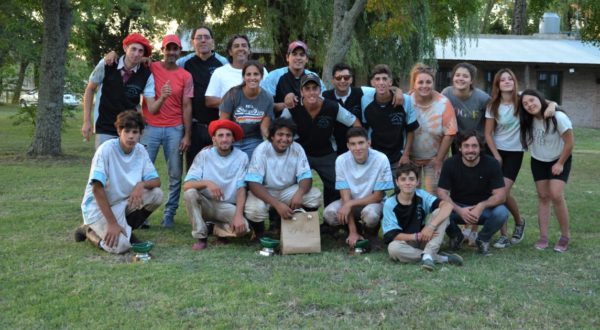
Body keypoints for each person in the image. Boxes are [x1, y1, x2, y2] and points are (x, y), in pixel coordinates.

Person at [75, 110, 163, 254]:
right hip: (98, 208)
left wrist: (141, 185)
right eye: (126, 131)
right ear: (118, 131)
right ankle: (88, 230)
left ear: (141, 133)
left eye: (135, 132)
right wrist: (112, 223)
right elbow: (97, 189)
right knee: (121, 247)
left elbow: (156, 181)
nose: (131, 136)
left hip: (122, 202)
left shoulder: (140, 150)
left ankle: (126, 230)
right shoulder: (106, 150)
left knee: (156, 194)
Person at [281, 72, 360, 208]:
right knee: (290, 183)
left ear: (320, 90)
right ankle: (296, 217)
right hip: (300, 153)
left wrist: (356, 144)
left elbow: (355, 122)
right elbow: (280, 127)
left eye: (315, 88)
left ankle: (332, 221)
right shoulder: (293, 108)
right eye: (307, 88)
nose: (311, 92)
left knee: (337, 184)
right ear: (301, 91)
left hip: (326, 152)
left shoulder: (332, 107)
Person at [139, 34, 193, 228]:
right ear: (162, 50)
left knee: (175, 173)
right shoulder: (151, 67)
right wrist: (145, 58)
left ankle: (170, 213)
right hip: (150, 127)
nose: (171, 52)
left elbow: (187, 106)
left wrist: (187, 134)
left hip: (174, 128)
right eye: (167, 49)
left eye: (175, 49)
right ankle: (141, 214)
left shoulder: (185, 75)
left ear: (180, 51)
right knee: (142, 171)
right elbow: (135, 61)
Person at [244, 118, 322, 238]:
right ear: (272, 137)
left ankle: (299, 227)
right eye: (280, 134)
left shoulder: (297, 148)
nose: (284, 139)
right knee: (254, 210)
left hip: (288, 191)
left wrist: (299, 194)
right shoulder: (261, 150)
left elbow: (306, 177)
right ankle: (260, 233)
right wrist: (276, 204)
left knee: (314, 196)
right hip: (266, 191)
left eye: (288, 135)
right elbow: (253, 184)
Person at [82, 33, 162, 149]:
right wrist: (87, 121)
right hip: (105, 125)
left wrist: (163, 97)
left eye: (140, 51)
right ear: (125, 48)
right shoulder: (107, 64)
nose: (136, 54)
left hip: (130, 128)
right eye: (133, 49)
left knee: (129, 165)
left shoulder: (146, 75)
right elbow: (90, 89)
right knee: (104, 164)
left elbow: (152, 107)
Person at [437, 131, 508, 256]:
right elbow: (441, 192)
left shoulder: (491, 164)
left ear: (480, 148)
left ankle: (483, 239)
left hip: (483, 210)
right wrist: (459, 209)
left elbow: (501, 195)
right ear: (460, 148)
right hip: (457, 208)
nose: (470, 150)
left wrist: (481, 206)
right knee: (438, 210)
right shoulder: (450, 163)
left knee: (502, 212)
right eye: (466, 146)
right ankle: (456, 237)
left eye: (474, 146)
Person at [519, 89, 573, 252]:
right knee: (543, 197)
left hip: (559, 158)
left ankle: (565, 236)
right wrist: (552, 103)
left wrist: (560, 163)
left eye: (532, 100)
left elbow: (569, 143)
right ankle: (543, 237)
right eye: (525, 104)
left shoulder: (558, 117)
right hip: (538, 160)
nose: (529, 105)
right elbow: (515, 95)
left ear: (540, 98)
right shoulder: (528, 119)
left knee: (556, 195)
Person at [183, 119, 250, 251]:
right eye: (220, 135)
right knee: (190, 193)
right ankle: (201, 236)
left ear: (233, 139)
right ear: (213, 139)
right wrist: (208, 183)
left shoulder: (242, 157)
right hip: (205, 203)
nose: (224, 139)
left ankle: (216, 228)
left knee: (243, 230)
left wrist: (238, 215)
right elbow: (186, 185)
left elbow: (241, 188)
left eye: (228, 135)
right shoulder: (204, 155)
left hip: (227, 205)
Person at [383, 163, 463, 271]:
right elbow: (392, 235)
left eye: (411, 179)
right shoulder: (390, 203)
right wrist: (417, 236)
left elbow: (448, 206)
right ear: (397, 182)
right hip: (406, 242)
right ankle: (438, 258)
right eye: (403, 179)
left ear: (417, 182)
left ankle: (429, 253)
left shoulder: (421, 195)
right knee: (393, 249)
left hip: (425, 238)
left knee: (441, 212)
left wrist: (430, 226)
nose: (407, 183)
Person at [323, 127, 394, 248]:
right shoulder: (341, 160)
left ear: (369, 142)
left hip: (374, 203)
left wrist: (349, 204)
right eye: (353, 144)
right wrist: (352, 231)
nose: (357, 148)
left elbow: (378, 196)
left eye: (361, 143)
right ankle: (353, 231)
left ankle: (371, 234)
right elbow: (345, 197)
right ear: (348, 146)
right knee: (329, 214)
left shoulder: (381, 159)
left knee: (371, 215)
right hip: (350, 201)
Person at [322, 63, 405, 155]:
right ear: (333, 80)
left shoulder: (361, 92)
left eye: (346, 77)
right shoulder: (325, 96)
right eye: (338, 78)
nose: (342, 80)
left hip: (359, 147)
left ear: (351, 79)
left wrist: (397, 91)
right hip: (335, 148)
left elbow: (381, 88)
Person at [176, 26, 229, 169]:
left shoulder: (223, 63)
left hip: (218, 125)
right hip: (194, 126)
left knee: (217, 168)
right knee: (194, 169)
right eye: (199, 37)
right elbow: (165, 67)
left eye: (206, 37)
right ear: (192, 42)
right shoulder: (183, 63)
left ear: (213, 41)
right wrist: (145, 60)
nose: (203, 40)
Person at [409, 63, 457, 194]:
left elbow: (450, 133)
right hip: (410, 159)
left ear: (433, 83)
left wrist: (439, 160)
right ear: (414, 84)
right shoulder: (406, 101)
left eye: (428, 82)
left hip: (434, 158)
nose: (424, 86)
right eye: (420, 82)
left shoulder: (443, 103)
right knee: (410, 198)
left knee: (436, 198)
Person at [364, 64, 419, 173]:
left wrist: (406, 155)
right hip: (375, 157)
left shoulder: (405, 101)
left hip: (398, 158)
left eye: (384, 79)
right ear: (372, 83)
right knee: (377, 190)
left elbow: (411, 130)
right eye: (377, 79)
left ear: (390, 82)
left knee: (400, 189)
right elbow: (364, 129)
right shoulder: (365, 99)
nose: (381, 82)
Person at [219, 60, 274, 158]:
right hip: (232, 138)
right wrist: (225, 141)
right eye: (248, 74)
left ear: (261, 76)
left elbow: (264, 128)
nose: (252, 78)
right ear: (244, 77)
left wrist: (272, 141)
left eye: (256, 74)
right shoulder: (233, 94)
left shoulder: (268, 98)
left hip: (253, 140)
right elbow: (223, 122)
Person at [260, 40, 326, 113]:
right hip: (280, 122)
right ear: (287, 57)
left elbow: (324, 101)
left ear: (306, 59)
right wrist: (285, 105)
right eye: (294, 54)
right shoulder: (274, 76)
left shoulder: (314, 77)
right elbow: (263, 104)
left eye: (302, 55)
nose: (298, 58)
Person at [205, 34, 268, 108]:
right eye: (236, 46)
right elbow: (209, 101)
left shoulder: (261, 70)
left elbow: (269, 98)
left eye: (244, 45)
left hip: (258, 117)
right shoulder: (220, 72)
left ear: (249, 50)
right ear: (230, 52)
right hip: (228, 118)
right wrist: (234, 100)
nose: (240, 48)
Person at [441, 62, 491, 154]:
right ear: (453, 78)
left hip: (478, 142)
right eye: (457, 75)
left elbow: (492, 118)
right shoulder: (446, 94)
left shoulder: (483, 98)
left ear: (471, 80)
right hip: (457, 142)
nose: (460, 78)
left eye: (465, 76)